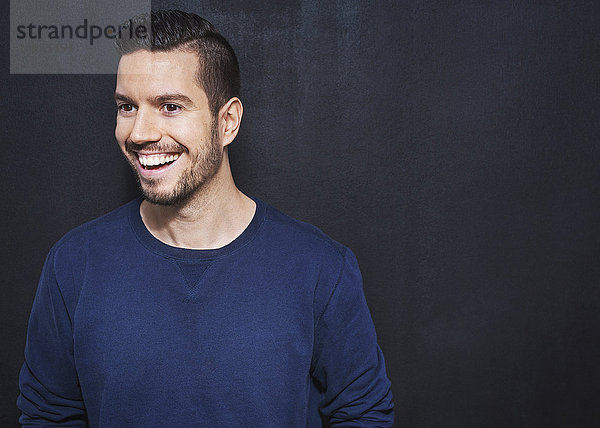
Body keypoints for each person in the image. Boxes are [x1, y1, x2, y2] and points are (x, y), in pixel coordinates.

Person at [17, 10, 394, 427]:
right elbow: (48, 415)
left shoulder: (321, 267)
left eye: (171, 106)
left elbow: (363, 414)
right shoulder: (74, 264)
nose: (139, 132)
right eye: (127, 106)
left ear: (227, 121)